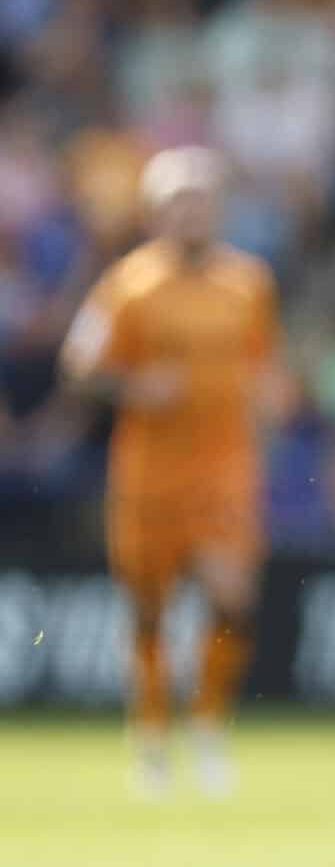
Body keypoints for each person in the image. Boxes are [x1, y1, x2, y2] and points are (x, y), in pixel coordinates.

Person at [61, 147, 284, 795]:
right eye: (179, 201)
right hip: (148, 473)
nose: (192, 212)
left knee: (232, 598)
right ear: (156, 211)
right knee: (149, 610)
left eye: (202, 200)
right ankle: (152, 733)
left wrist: (269, 403)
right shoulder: (128, 285)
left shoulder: (249, 283)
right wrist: (134, 385)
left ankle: (208, 724)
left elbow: (263, 364)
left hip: (224, 468)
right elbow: (79, 366)